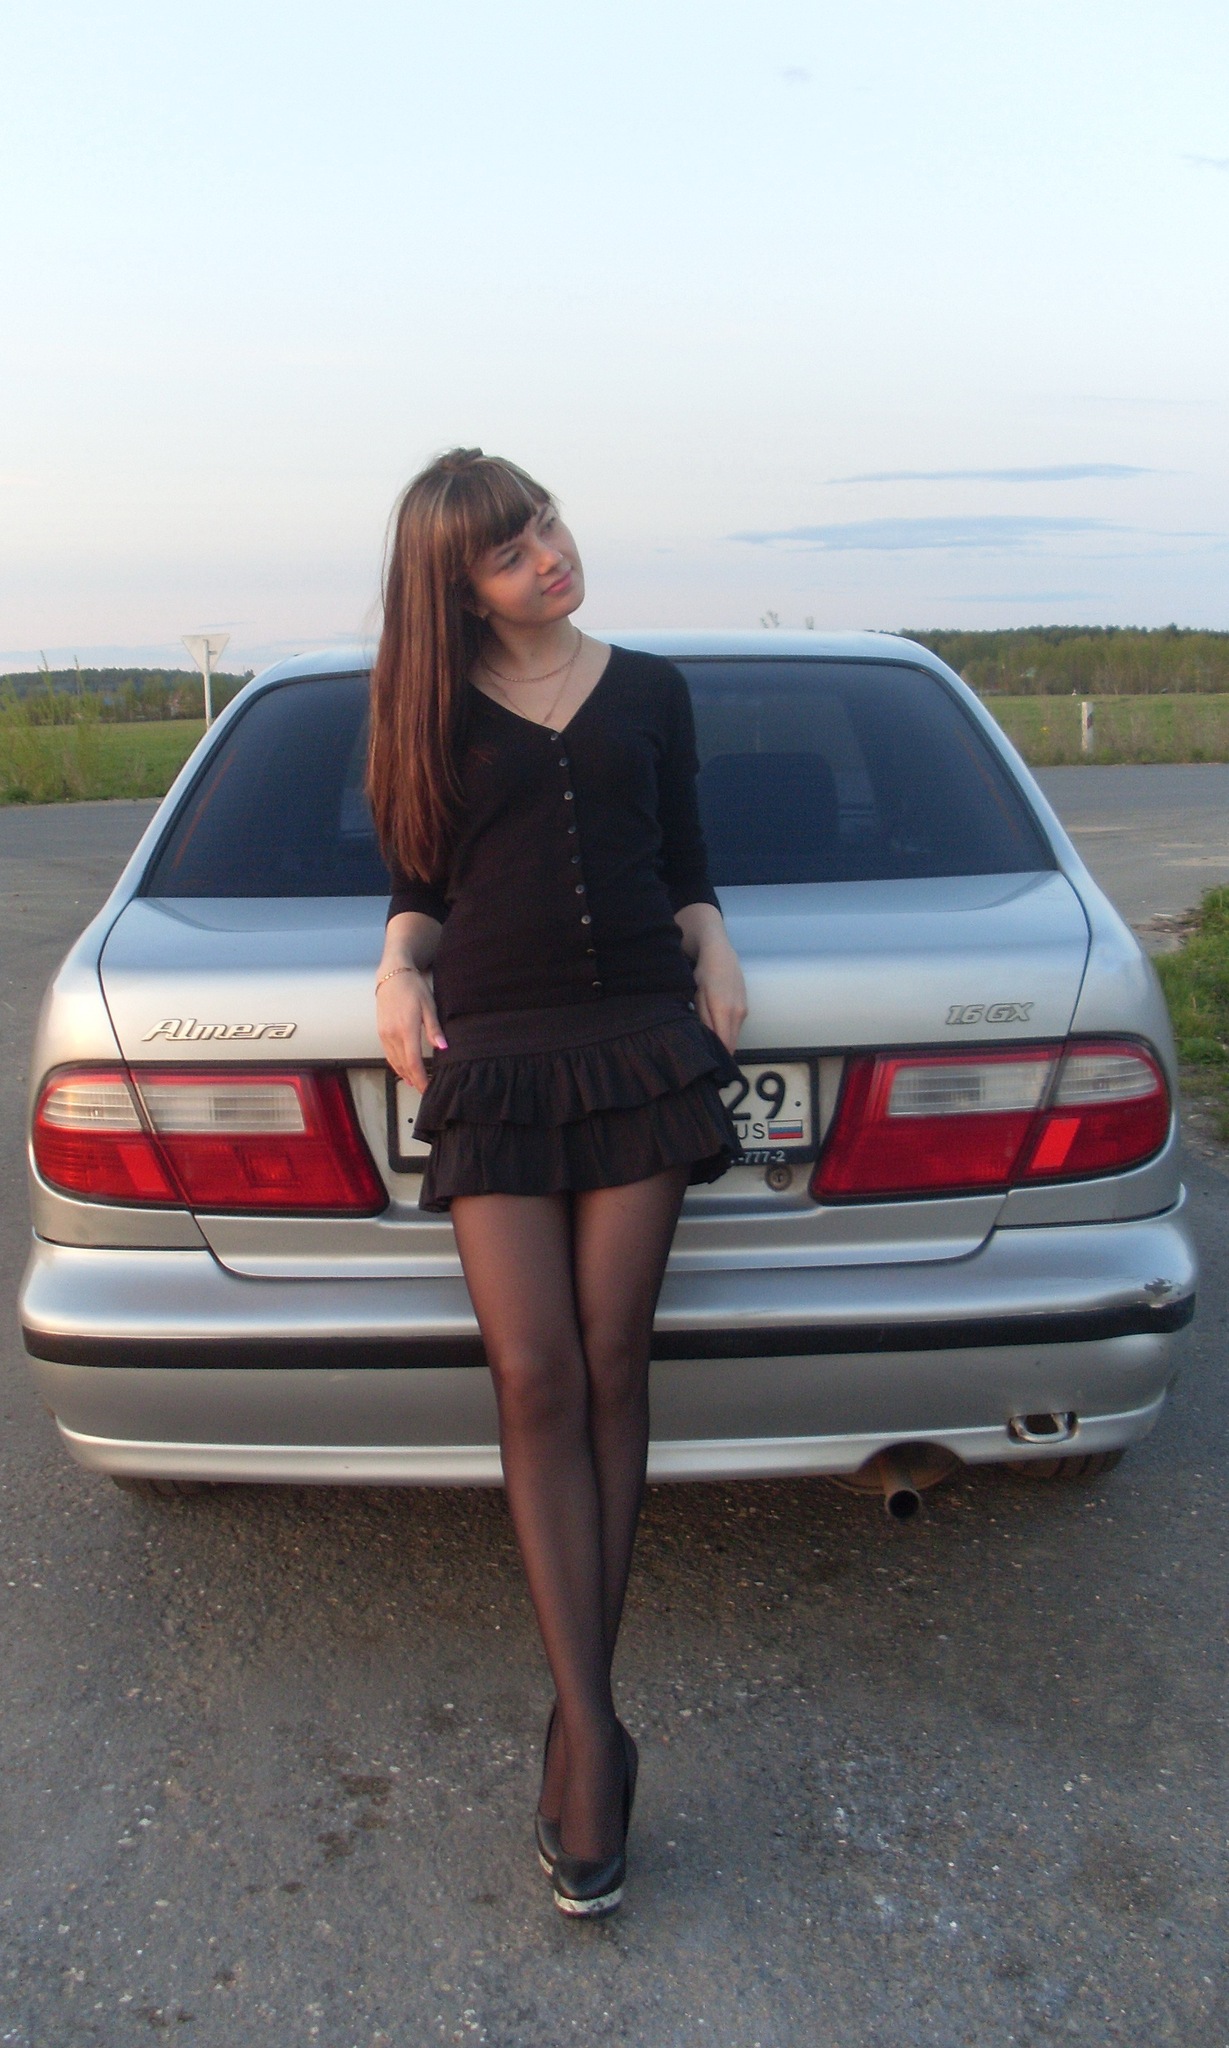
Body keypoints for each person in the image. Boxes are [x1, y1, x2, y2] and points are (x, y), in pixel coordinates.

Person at [369, 449, 747, 1917]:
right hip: (500, 1051)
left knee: (609, 1357)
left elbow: (685, 857)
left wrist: (713, 939)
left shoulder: (649, 689)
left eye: (547, 526)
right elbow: (419, 886)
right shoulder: (424, 709)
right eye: (511, 549)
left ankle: (582, 1745)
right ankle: (595, 1721)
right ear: (457, 586)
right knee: (530, 1373)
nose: (550, 556)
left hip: (640, 1039)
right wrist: (395, 968)